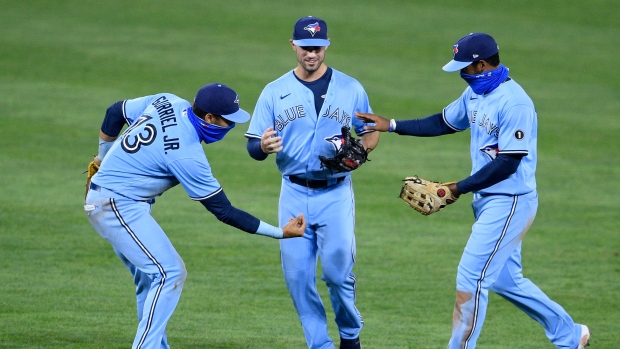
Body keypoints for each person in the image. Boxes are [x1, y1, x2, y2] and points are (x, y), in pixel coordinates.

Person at [356, 32, 590, 349]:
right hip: (489, 200)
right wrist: (393, 125)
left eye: (465, 69)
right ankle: (570, 335)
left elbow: (508, 163)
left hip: (509, 202)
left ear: (480, 65)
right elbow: (443, 122)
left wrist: (457, 187)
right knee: (507, 280)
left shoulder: (515, 102)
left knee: (471, 277)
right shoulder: (476, 95)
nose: (463, 76)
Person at [84, 83, 306, 349]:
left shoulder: (167, 100)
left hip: (116, 200)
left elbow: (114, 112)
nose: (231, 127)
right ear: (209, 118)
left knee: (150, 276)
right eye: (228, 121)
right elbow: (224, 211)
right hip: (116, 205)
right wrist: (280, 232)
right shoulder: (187, 155)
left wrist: (101, 160)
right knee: (169, 273)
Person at [244, 16, 380, 349]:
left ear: (326, 47)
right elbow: (252, 147)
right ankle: (319, 345)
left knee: (338, 275)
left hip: (335, 194)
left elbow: (371, 130)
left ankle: (350, 337)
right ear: (293, 46)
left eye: (318, 48)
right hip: (292, 192)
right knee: (298, 280)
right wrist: (262, 146)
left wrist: (360, 151)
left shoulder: (351, 88)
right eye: (305, 48)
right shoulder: (274, 92)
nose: (311, 54)